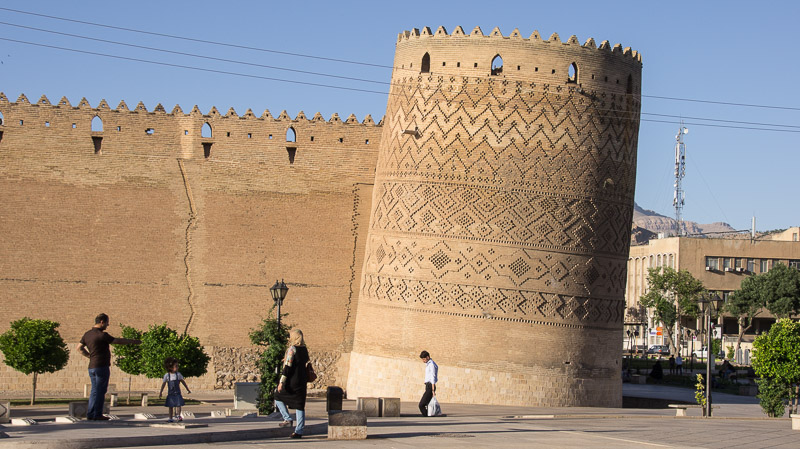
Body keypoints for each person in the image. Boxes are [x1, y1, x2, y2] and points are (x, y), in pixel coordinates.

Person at [77, 313, 141, 420]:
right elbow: (117, 341)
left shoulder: (87, 334)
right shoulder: (102, 335)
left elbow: (79, 348)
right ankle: (97, 414)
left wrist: (90, 356)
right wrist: (134, 341)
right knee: (101, 390)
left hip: (91, 367)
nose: (108, 325)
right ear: (102, 322)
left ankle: (90, 414)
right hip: (101, 366)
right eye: (107, 323)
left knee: (94, 390)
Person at [275, 329, 311, 439]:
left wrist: (281, 382)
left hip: (292, 381)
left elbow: (287, 367)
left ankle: (287, 418)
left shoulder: (292, 349)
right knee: (300, 405)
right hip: (302, 381)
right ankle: (299, 431)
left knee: (277, 395)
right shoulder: (304, 350)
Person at [159, 357, 191, 422]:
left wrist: (187, 389)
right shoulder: (167, 375)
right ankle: (170, 417)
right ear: (170, 368)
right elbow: (164, 384)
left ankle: (178, 415)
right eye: (176, 366)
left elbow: (183, 382)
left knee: (178, 404)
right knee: (170, 406)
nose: (177, 367)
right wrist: (161, 392)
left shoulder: (178, 375)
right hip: (171, 393)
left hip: (177, 393)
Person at [418, 350, 438, 416]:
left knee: (421, 405)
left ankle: (427, 416)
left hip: (430, 386)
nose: (423, 360)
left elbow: (433, 377)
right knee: (427, 404)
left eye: (424, 359)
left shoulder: (431, 364)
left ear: (428, 357)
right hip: (428, 386)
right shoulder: (429, 364)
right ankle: (429, 415)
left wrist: (432, 390)